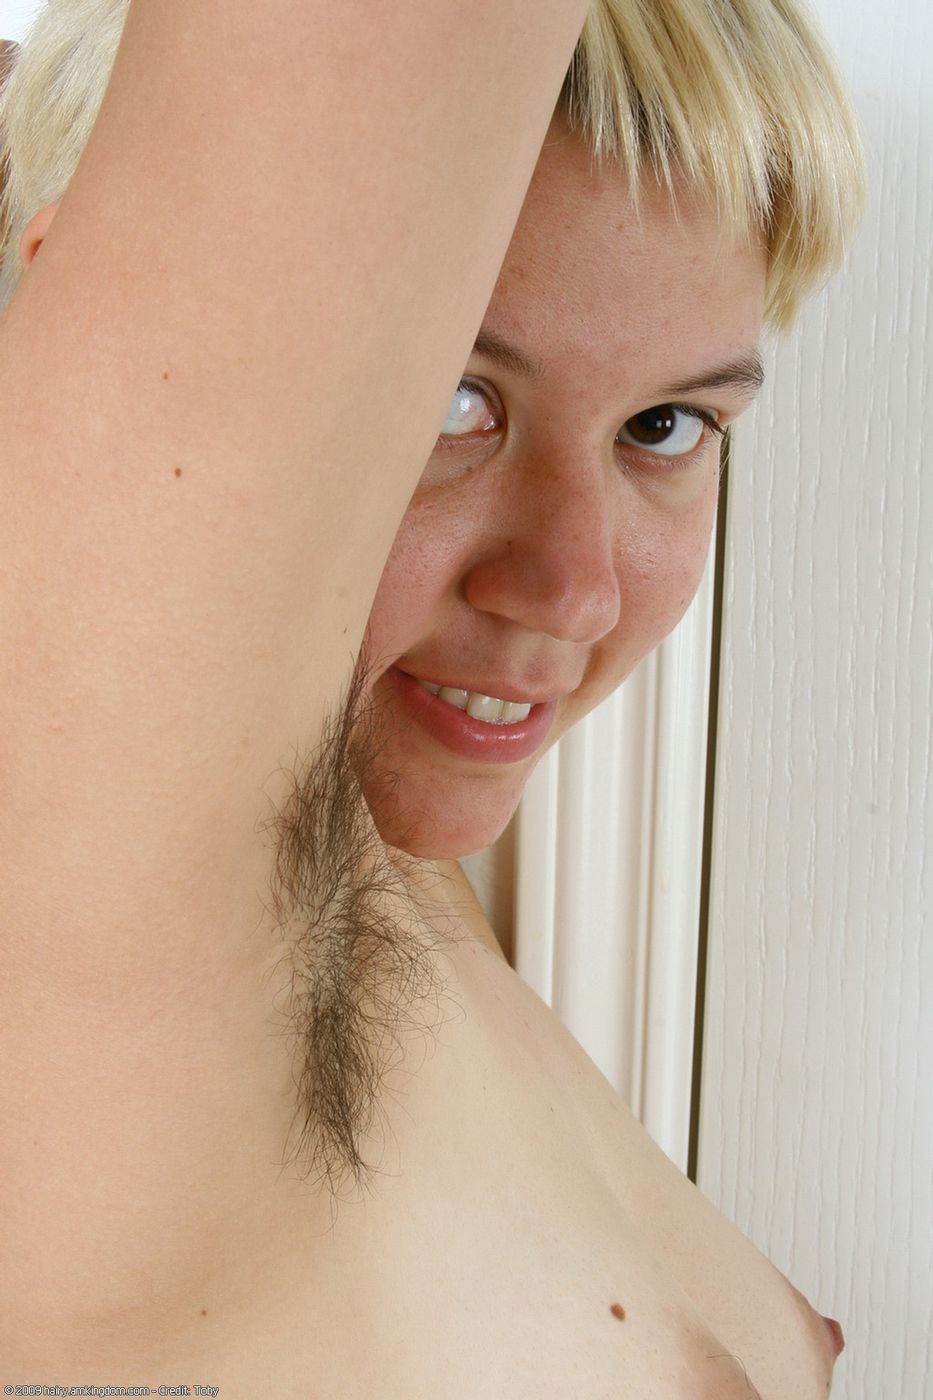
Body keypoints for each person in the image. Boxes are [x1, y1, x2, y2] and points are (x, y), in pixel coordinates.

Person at [0, 0, 861, 1394]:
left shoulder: (381, 864)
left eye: (665, 426)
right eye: (454, 400)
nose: (573, 590)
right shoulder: (120, 895)